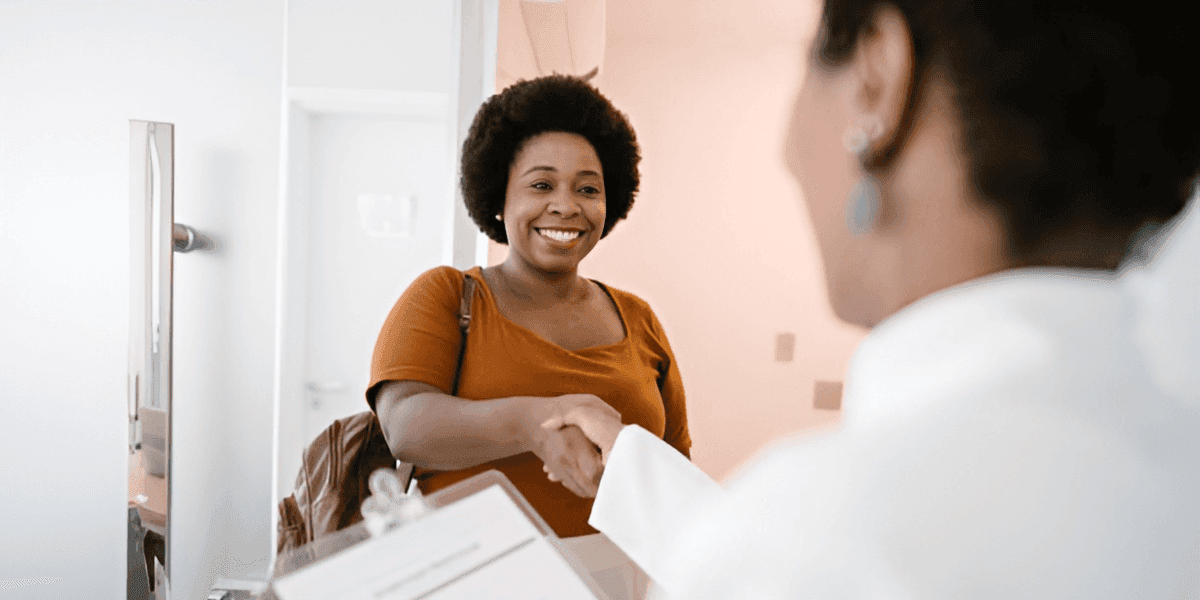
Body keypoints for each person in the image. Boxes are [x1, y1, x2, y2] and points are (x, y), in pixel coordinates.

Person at [540, 1, 1200, 597]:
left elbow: (830, 554)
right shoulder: (1169, 466)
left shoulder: (813, 545)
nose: (790, 151)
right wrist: (631, 472)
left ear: (876, 82)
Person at [365, 74, 689, 599]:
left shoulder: (640, 319)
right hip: (473, 578)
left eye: (588, 188)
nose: (565, 206)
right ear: (498, 197)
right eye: (541, 185)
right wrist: (535, 424)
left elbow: (673, 462)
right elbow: (404, 425)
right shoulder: (447, 297)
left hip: (612, 583)